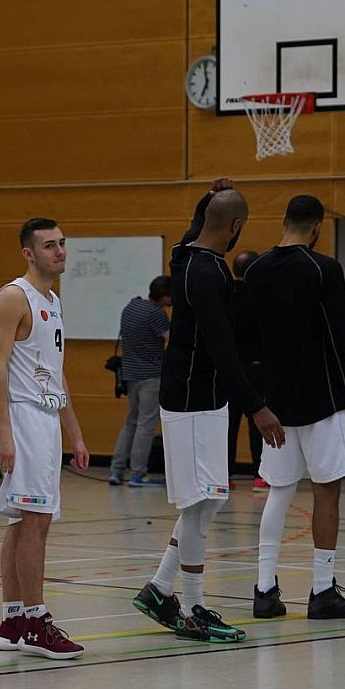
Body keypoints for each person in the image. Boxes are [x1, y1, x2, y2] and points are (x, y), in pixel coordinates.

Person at [131, 188, 284, 644]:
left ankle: (160, 588)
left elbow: (193, 231)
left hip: (202, 399)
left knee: (209, 500)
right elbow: (222, 349)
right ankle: (194, 608)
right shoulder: (208, 273)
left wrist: (205, 200)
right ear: (235, 227)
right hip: (193, 400)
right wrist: (257, 407)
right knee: (200, 503)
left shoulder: (184, 257)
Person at [241, 195, 345, 620]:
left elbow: (248, 342)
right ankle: (323, 589)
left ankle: (264, 590)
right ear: (317, 228)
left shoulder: (254, 271)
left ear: (285, 221)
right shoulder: (323, 269)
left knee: (279, 490)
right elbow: (340, 334)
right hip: (321, 398)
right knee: (327, 489)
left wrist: (257, 402)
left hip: (274, 403)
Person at [0, 218, 91, 660]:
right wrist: (4, 430)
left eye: (62, 243)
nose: (60, 251)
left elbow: (56, 372)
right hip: (22, 416)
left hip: (44, 418)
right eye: (49, 245)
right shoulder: (14, 296)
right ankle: (35, 620)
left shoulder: (53, 300)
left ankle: (12, 621)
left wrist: (75, 432)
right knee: (36, 520)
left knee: (22, 520)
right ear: (28, 253)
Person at [109, 275, 170, 488]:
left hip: (131, 375)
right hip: (151, 376)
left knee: (131, 422)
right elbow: (171, 340)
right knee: (146, 425)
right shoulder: (156, 313)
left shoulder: (131, 306)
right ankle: (138, 473)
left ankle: (116, 470)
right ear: (164, 297)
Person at [225, 249, 268, 491]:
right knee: (258, 421)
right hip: (256, 367)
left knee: (227, 425)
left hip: (228, 368)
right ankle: (260, 475)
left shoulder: (224, 293)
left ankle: (224, 475)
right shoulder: (261, 295)